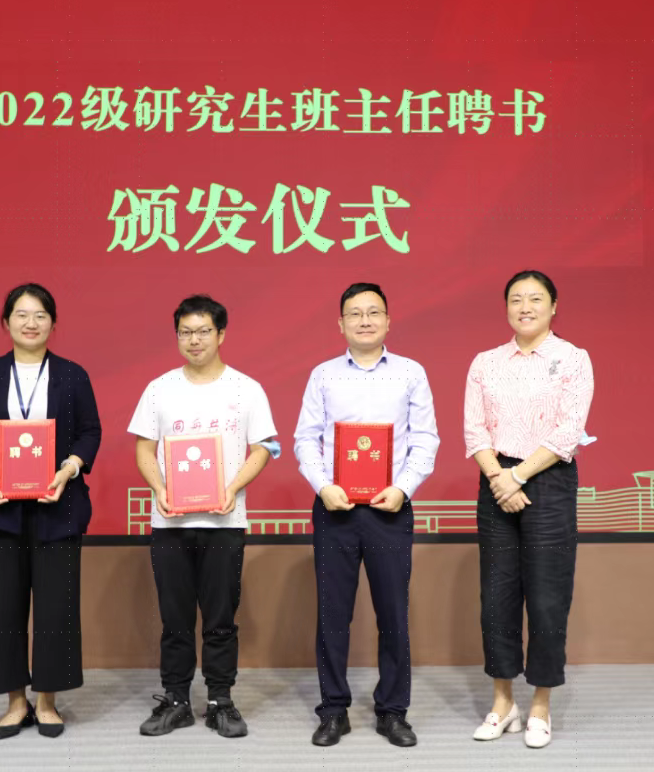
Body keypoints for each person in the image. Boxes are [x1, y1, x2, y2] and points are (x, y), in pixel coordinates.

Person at [0, 283, 101, 740]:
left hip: (59, 507)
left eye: (40, 315)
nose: (30, 323)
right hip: (0, 508)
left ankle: (48, 702)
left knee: (57, 608)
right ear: (6, 322)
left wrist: (68, 470)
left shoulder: (73, 375)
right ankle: (15, 703)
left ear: (53, 323)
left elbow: (90, 432)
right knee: (1, 608)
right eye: (21, 314)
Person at [294, 282, 440, 748]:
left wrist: (403, 488)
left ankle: (393, 711)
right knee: (332, 615)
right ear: (340, 324)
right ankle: (333, 710)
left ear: (388, 321)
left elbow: (426, 439)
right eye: (354, 313)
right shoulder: (323, 375)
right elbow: (305, 438)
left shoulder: (411, 373)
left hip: (389, 508)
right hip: (334, 508)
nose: (364, 320)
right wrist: (324, 486)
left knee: (393, 613)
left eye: (373, 312)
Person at [128, 294, 279, 739]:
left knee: (220, 617)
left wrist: (232, 488)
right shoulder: (159, 389)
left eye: (203, 331)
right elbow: (143, 448)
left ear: (221, 334)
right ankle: (176, 700)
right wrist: (159, 489)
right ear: (177, 336)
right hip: (170, 523)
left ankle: (220, 701)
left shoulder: (246, 389)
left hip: (224, 522)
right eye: (185, 332)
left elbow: (264, 447)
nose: (194, 340)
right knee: (174, 618)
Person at [464, 270, 594, 749]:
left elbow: (568, 431)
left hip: (549, 481)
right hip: (496, 481)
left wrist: (517, 477)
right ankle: (503, 703)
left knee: (546, 596)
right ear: (506, 308)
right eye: (516, 299)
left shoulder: (573, 359)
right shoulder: (485, 362)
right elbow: (475, 430)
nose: (525, 307)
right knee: (496, 598)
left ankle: (540, 704)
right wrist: (500, 477)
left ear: (553, 306)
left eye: (535, 299)